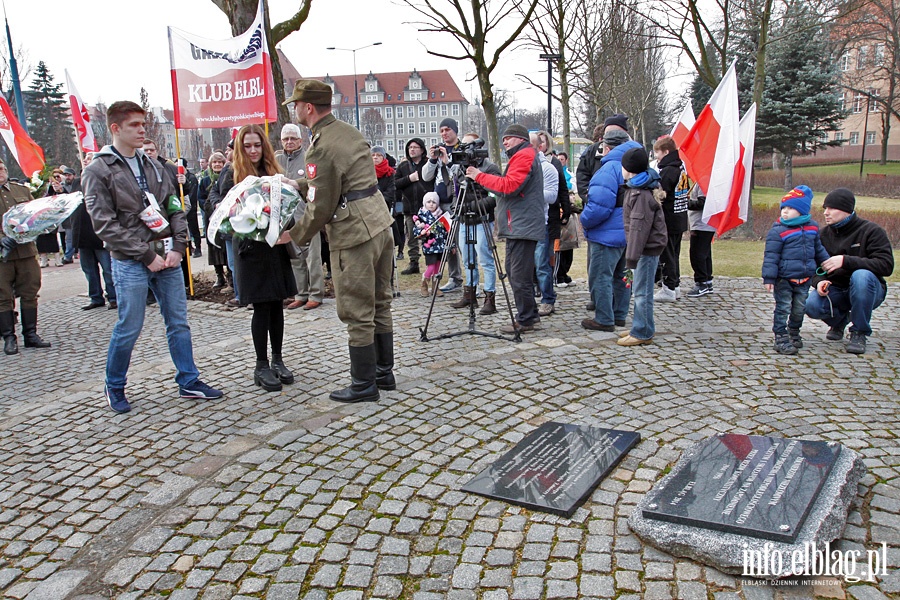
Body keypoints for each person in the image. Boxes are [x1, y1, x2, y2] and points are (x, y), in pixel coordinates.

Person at [82, 100, 223, 413]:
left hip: (167, 257)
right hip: (131, 261)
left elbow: (174, 206)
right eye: (134, 125)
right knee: (129, 326)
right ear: (115, 128)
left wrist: (177, 246)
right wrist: (146, 254)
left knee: (179, 322)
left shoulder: (154, 166)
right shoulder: (99, 170)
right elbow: (104, 224)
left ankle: (188, 380)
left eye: (143, 124)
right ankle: (114, 385)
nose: (142, 130)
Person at [282, 79, 395, 403]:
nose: (294, 110)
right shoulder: (347, 131)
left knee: (357, 309)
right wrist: (300, 183)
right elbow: (339, 179)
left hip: (354, 232)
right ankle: (383, 374)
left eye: (296, 104)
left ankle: (363, 385)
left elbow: (322, 205)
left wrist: (294, 235)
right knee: (379, 301)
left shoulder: (320, 146)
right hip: (378, 221)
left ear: (307, 107)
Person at [229, 124, 297, 392]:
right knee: (261, 308)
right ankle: (261, 364)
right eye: (248, 146)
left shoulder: (274, 173)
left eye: (258, 145)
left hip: (274, 246)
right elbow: (222, 211)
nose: (254, 150)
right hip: (250, 250)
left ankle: (278, 359)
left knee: (277, 306)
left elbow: (287, 205)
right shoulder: (232, 175)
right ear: (240, 148)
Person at [466, 124, 545, 334]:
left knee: (518, 274)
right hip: (518, 224)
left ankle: (526, 319)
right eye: (503, 139)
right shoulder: (523, 155)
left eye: (508, 138)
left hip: (522, 225)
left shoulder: (524, 156)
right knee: (515, 272)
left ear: (520, 139)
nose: (505, 142)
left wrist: (478, 176)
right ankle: (529, 314)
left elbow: (509, 186)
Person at [805, 188, 894, 354]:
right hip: (836, 289)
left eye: (831, 208)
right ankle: (839, 321)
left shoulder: (872, 231)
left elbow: (886, 265)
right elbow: (812, 268)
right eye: (825, 208)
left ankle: (859, 332)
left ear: (847, 210)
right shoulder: (822, 235)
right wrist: (818, 282)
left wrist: (845, 261)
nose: (826, 213)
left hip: (868, 290)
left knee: (861, 276)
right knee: (811, 305)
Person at [580, 130, 641, 331]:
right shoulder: (637, 166)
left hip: (607, 234)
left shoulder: (609, 169)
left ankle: (604, 318)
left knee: (601, 276)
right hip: (630, 231)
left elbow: (598, 206)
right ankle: (620, 314)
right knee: (623, 276)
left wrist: (584, 220)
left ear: (606, 147)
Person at [762, 186, 830, 355]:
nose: (785, 211)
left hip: (805, 278)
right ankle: (780, 337)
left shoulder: (812, 228)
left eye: (790, 208)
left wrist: (826, 262)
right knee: (783, 307)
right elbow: (771, 256)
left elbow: (818, 248)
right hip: (784, 279)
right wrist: (769, 278)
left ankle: (794, 331)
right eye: (783, 208)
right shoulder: (778, 231)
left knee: (799, 308)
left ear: (801, 210)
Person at [0, 159, 51, 355]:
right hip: (3, 256)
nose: (1, 172)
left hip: (26, 251)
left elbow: (34, 217)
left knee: (30, 292)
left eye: (2, 168)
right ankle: (9, 338)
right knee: (3, 296)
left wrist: (28, 232)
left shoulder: (21, 190)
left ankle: (30, 335)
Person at [617, 147, 667, 346]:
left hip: (645, 250)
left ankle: (643, 331)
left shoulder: (640, 194)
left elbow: (638, 229)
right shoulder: (637, 188)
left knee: (642, 292)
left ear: (629, 169)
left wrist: (631, 258)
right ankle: (640, 324)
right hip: (644, 249)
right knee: (640, 290)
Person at [450, 132, 501, 314]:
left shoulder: (489, 167)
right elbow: (455, 192)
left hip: (482, 219)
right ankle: (469, 294)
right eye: (462, 146)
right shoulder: (459, 168)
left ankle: (490, 297)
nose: (465, 150)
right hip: (464, 220)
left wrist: (474, 205)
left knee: (485, 258)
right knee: (467, 259)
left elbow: (496, 194)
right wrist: (457, 207)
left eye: (468, 146)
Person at [277, 124, 324, 312]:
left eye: (292, 138)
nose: (289, 142)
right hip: (285, 216)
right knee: (295, 256)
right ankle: (300, 294)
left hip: (307, 213)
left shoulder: (308, 157)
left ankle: (316, 294)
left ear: (300, 140)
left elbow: (316, 184)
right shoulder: (276, 159)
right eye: (285, 139)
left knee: (313, 256)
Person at [422, 117, 464, 292]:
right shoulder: (438, 152)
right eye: (441, 130)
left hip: (457, 201)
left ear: (455, 130)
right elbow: (426, 176)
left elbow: (461, 173)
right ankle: (455, 277)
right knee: (448, 243)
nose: (444, 133)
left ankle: (471, 279)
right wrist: (432, 160)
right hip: (440, 205)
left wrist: (448, 161)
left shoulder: (462, 150)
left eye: (447, 129)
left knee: (461, 241)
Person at [653, 136, 689, 302]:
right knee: (674, 253)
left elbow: (662, 194)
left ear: (666, 152)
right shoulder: (681, 168)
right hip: (680, 216)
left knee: (667, 255)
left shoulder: (668, 170)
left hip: (669, 218)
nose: (656, 157)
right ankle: (675, 286)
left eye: (658, 153)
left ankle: (669, 287)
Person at [530, 131, 560, 317]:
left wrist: (532, 191)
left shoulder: (548, 168)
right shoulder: (519, 167)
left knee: (542, 264)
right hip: (521, 224)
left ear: (539, 147)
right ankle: (527, 301)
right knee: (524, 266)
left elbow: (552, 196)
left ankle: (548, 299)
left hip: (541, 222)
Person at [394, 138, 433, 275]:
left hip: (428, 209)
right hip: (410, 207)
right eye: (410, 147)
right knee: (411, 237)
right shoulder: (403, 167)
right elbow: (395, 184)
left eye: (415, 147)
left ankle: (432, 263)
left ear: (422, 149)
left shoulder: (429, 164)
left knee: (430, 236)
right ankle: (414, 262)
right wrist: (409, 179)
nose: (412, 149)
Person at [208, 147, 241, 307]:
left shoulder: (248, 169)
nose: (228, 152)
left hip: (246, 223)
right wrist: (217, 203)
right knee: (233, 263)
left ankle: (248, 295)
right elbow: (214, 191)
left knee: (244, 263)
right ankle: (240, 294)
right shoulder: (227, 169)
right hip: (229, 225)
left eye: (231, 149)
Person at [198, 152, 230, 290]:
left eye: (220, 162)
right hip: (210, 216)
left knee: (225, 248)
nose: (217, 165)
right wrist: (210, 207)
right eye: (214, 162)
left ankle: (230, 277)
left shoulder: (227, 176)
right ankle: (219, 275)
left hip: (225, 217)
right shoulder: (205, 180)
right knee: (214, 247)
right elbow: (200, 198)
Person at [413, 192, 447, 297]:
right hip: (430, 247)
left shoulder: (442, 216)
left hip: (440, 246)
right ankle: (424, 283)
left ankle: (435, 286)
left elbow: (447, 231)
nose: (431, 204)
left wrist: (452, 244)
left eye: (433, 202)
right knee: (431, 267)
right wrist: (421, 233)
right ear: (425, 203)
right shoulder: (421, 217)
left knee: (438, 268)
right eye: (429, 202)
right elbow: (416, 231)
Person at [372, 146, 401, 260]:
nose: (375, 157)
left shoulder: (390, 173)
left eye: (378, 155)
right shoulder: (366, 173)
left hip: (385, 209)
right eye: (373, 155)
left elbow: (390, 193)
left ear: (383, 157)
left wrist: (377, 200)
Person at [687, 184, 716, 297]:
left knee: (697, 254)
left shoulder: (703, 182)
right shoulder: (704, 181)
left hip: (702, 224)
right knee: (705, 254)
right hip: (703, 224)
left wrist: (686, 204)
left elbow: (702, 203)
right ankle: (707, 281)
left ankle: (701, 283)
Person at [37, 168, 64, 268]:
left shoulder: (54, 187)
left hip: (51, 214)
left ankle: (57, 258)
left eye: (57, 176)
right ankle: (43, 259)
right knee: (40, 237)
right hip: (39, 215)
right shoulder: (40, 188)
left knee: (52, 236)